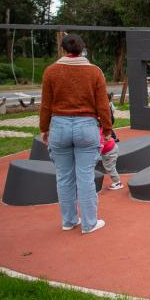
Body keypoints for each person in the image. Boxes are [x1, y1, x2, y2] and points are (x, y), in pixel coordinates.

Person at [40, 34, 112, 234]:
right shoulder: (94, 72)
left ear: (63, 49)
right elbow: (102, 105)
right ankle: (89, 223)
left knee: (63, 177)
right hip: (86, 126)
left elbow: (46, 104)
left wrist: (44, 128)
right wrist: (107, 129)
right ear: (83, 49)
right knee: (85, 176)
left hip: (59, 126)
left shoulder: (51, 71)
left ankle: (69, 220)